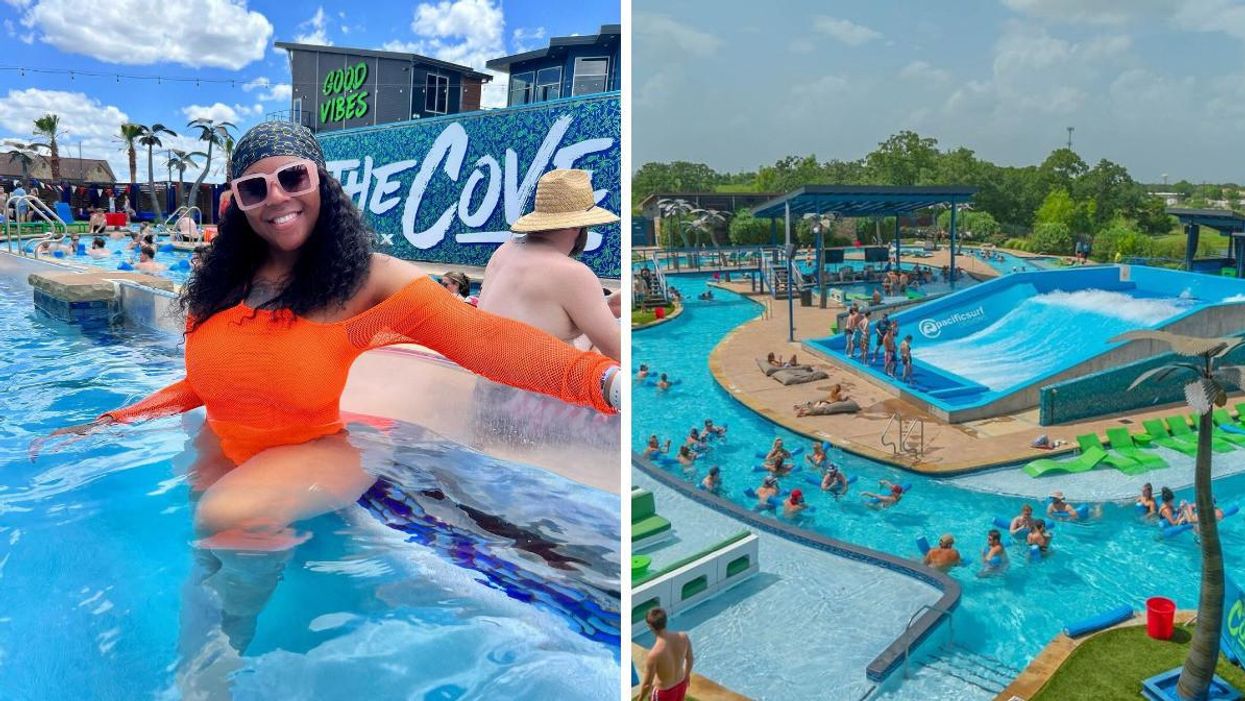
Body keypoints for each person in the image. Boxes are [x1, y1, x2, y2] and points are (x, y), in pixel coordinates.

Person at [30, 120, 621, 549]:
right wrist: (110, 421)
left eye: (292, 177)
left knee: (224, 514)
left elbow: (488, 343)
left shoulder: (369, 279)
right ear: (236, 202)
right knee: (207, 559)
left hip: (320, 450)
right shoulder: (220, 284)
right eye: (254, 188)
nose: (277, 198)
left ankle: (219, 674)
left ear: (322, 183)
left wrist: (607, 382)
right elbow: (206, 382)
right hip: (226, 441)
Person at [477, 169, 620, 361]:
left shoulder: (504, 251)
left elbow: (535, 317)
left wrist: (606, 306)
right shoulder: (572, 273)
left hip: (486, 386)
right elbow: (618, 352)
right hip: (537, 388)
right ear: (578, 226)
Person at [638, 607, 693, 701]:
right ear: (665, 621)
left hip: (664, 692)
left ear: (650, 627)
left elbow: (647, 684)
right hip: (681, 684)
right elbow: (690, 659)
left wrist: (640, 699)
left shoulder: (654, 654)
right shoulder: (684, 637)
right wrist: (687, 675)